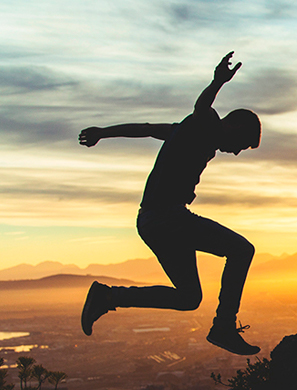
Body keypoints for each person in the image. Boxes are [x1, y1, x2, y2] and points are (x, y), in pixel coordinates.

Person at [79, 52, 261, 356]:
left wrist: (103, 132)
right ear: (234, 127)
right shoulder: (206, 124)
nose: (238, 153)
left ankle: (107, 297)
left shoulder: (186, 132)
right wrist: (217, 82)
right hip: (167, 218)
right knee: (242, 249)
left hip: (152, 222)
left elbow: (148, 128)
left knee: (189, 297)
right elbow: (202, 107)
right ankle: (223, 328)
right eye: (242, 145)